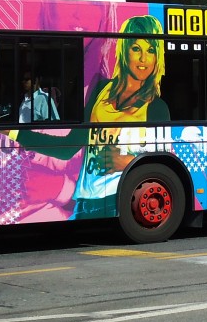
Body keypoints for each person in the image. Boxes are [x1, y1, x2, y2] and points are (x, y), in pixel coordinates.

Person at [72, 13, 169, 219]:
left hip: (120, 197)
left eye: (151, 50)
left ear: (157, 57)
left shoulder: (156, 108)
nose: (143, 59)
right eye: (136, 49)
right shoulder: (101, 89)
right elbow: (72, 142)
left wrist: (127, 162)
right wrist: (13, 132)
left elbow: (165, 162)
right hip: (84, 200)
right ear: (125, 50)